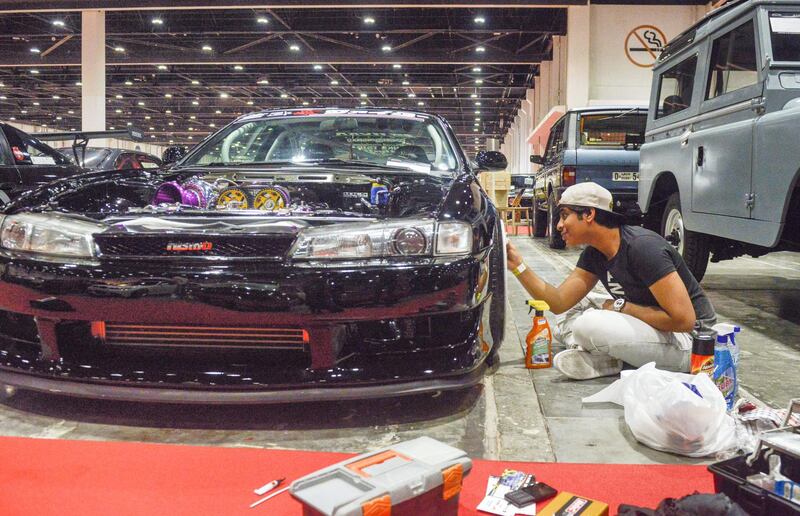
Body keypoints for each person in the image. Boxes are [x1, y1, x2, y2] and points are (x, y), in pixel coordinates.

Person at [506, 182, 716, 380]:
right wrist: (518, 266)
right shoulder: (594, 253)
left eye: (564, 215)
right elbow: (559, 303)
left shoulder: (643, 248)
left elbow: (683, 320)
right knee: (571, 314)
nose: (559, 225)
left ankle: (604, 356)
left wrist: (621, 307)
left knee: (588, 324)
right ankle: (610, 357)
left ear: (589, 214)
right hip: (650, 326)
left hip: (693, 343)